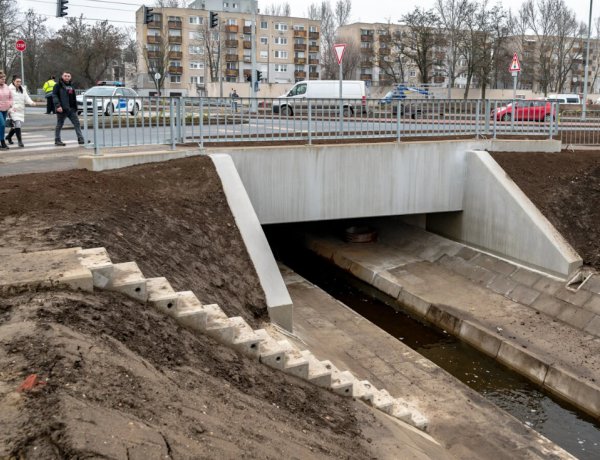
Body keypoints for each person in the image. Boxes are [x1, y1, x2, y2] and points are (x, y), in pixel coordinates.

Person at [52, 71, 84, 146]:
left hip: (71, 109)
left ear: (70, 77)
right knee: (60, 124)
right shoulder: (58, 85)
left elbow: (72, 97)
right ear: (62, 76)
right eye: (65, 76)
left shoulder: (71, 85)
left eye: (68, 76)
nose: (67, 77)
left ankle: (81, 139)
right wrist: (58, 106)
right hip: (62, 108)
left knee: (77, 123)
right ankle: (57, 140)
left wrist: (75, 107)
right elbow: (54, 96)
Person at [6, 75, 37, 148]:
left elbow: (26, 97)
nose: (19, 83)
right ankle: (20, 141)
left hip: (20, 110)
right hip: (12, 110)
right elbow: (6, 100)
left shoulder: (22, 89)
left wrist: (31, 102)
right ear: (13, 81)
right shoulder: (9, 89)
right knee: (18, 124)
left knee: (15, 126)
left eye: (20, 81)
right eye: (17, 81)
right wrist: (9, 109)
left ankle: (9, 136)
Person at [0, 71, 13, 150]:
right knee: (2, 124)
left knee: (2, 126)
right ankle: (2, 141)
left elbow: (11, 97)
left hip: (5, 109)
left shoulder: (6, 86)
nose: (3, 80)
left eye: (4, 79)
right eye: (1, 79)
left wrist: (10, 104)